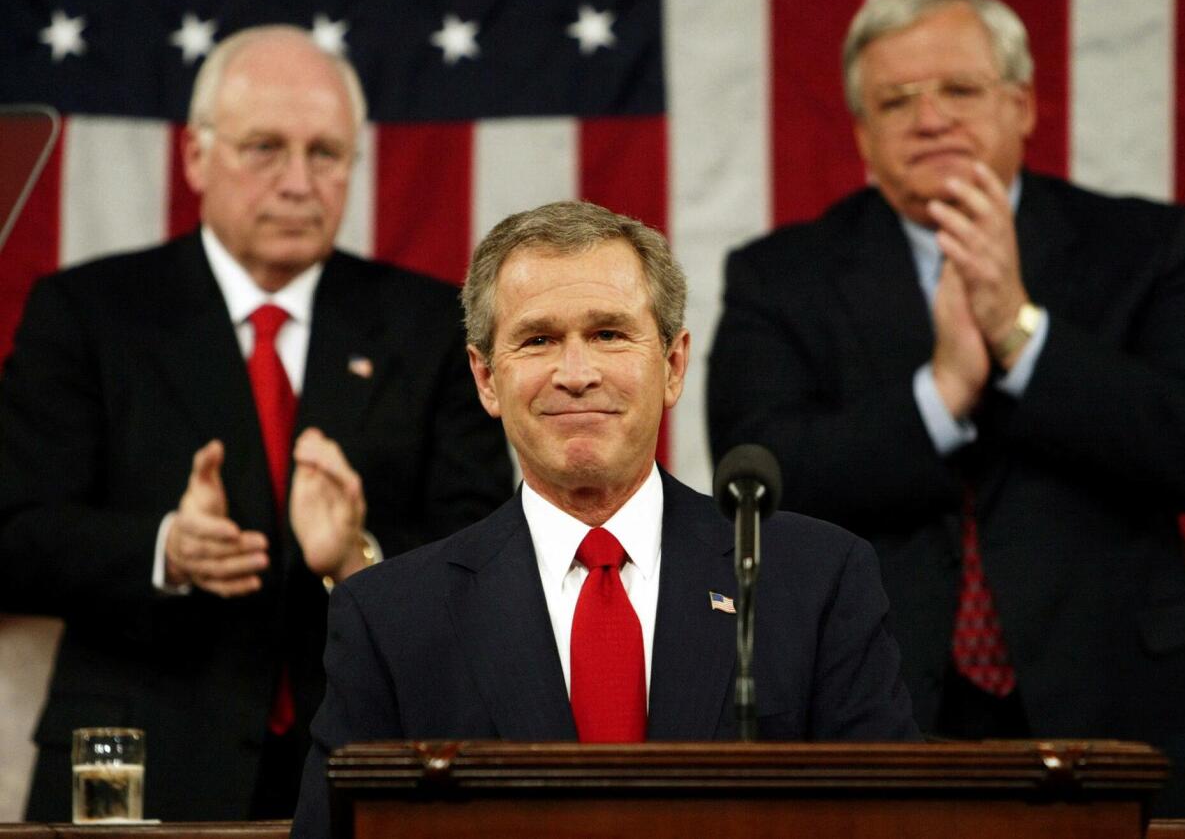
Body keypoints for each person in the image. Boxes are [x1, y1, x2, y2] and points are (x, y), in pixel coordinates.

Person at [707, 0, 1185, 815]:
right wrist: (941, 395)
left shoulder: (1147, 246)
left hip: (1120, 700)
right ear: (865, 139)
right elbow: (758, 482)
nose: (931, 117)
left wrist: (1020, 337)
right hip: (875, 701)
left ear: (1021, 106)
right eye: (896, 100)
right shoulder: (781, 276)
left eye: (959, 89)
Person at [0, 25, 513, 821]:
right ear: (197, 157)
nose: (299, 182)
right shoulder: (89, 314)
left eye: (326, 154)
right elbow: (13, 532)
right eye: (265, 148)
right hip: (139, 770)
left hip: (366, 771)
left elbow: (489, 553)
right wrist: (165, 548)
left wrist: (358, 555)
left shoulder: (432, 326)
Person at [289, 200, 918, 838]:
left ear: (672, 365)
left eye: (609, 334)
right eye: (538, 340)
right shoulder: (391, 617)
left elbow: (890, 827)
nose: (576, 375)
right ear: (485, 378)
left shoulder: (813, 580)